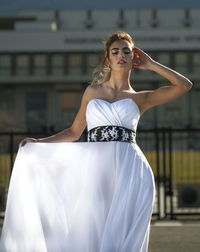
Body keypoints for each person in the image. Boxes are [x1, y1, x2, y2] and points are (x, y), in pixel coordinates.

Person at [0, 31, 192, 252]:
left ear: (134, 58)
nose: (121, 55)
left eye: (127, 51)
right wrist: (39, 141)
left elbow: (184, 85)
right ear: (107, 59)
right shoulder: (92, 92)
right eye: (115, 52)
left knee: (121, 234)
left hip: (130, 169)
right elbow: (74, 131)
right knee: (92, 228)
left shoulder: (141, 98)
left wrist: (152, 64)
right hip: (95, 169)